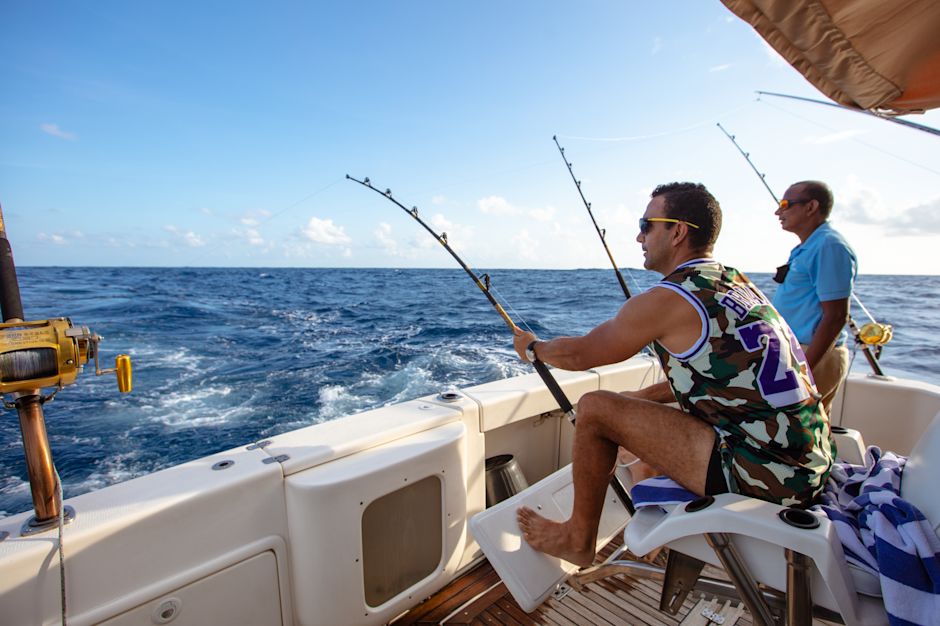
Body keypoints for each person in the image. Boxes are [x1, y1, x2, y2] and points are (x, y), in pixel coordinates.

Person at [512, 182, 834, 567]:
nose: (638, 236)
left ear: (677, 231)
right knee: (627, 408)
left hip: (769, 478)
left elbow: (582, 354)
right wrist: (639, 400)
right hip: (807, 462)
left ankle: (577, 539)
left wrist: (533, 349)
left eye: (647, 225)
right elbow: (723, 379)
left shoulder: (671, 298)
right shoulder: (733, 282)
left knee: (595, 409)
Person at [772, 181, 857, 415]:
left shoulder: (829, 246)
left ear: (811, 207)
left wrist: (803, 369)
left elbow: (837, 315)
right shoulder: (809, 246)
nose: (778, 211)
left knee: (803, 432)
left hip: (812, 356)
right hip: (798, 352)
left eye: (785, 204)